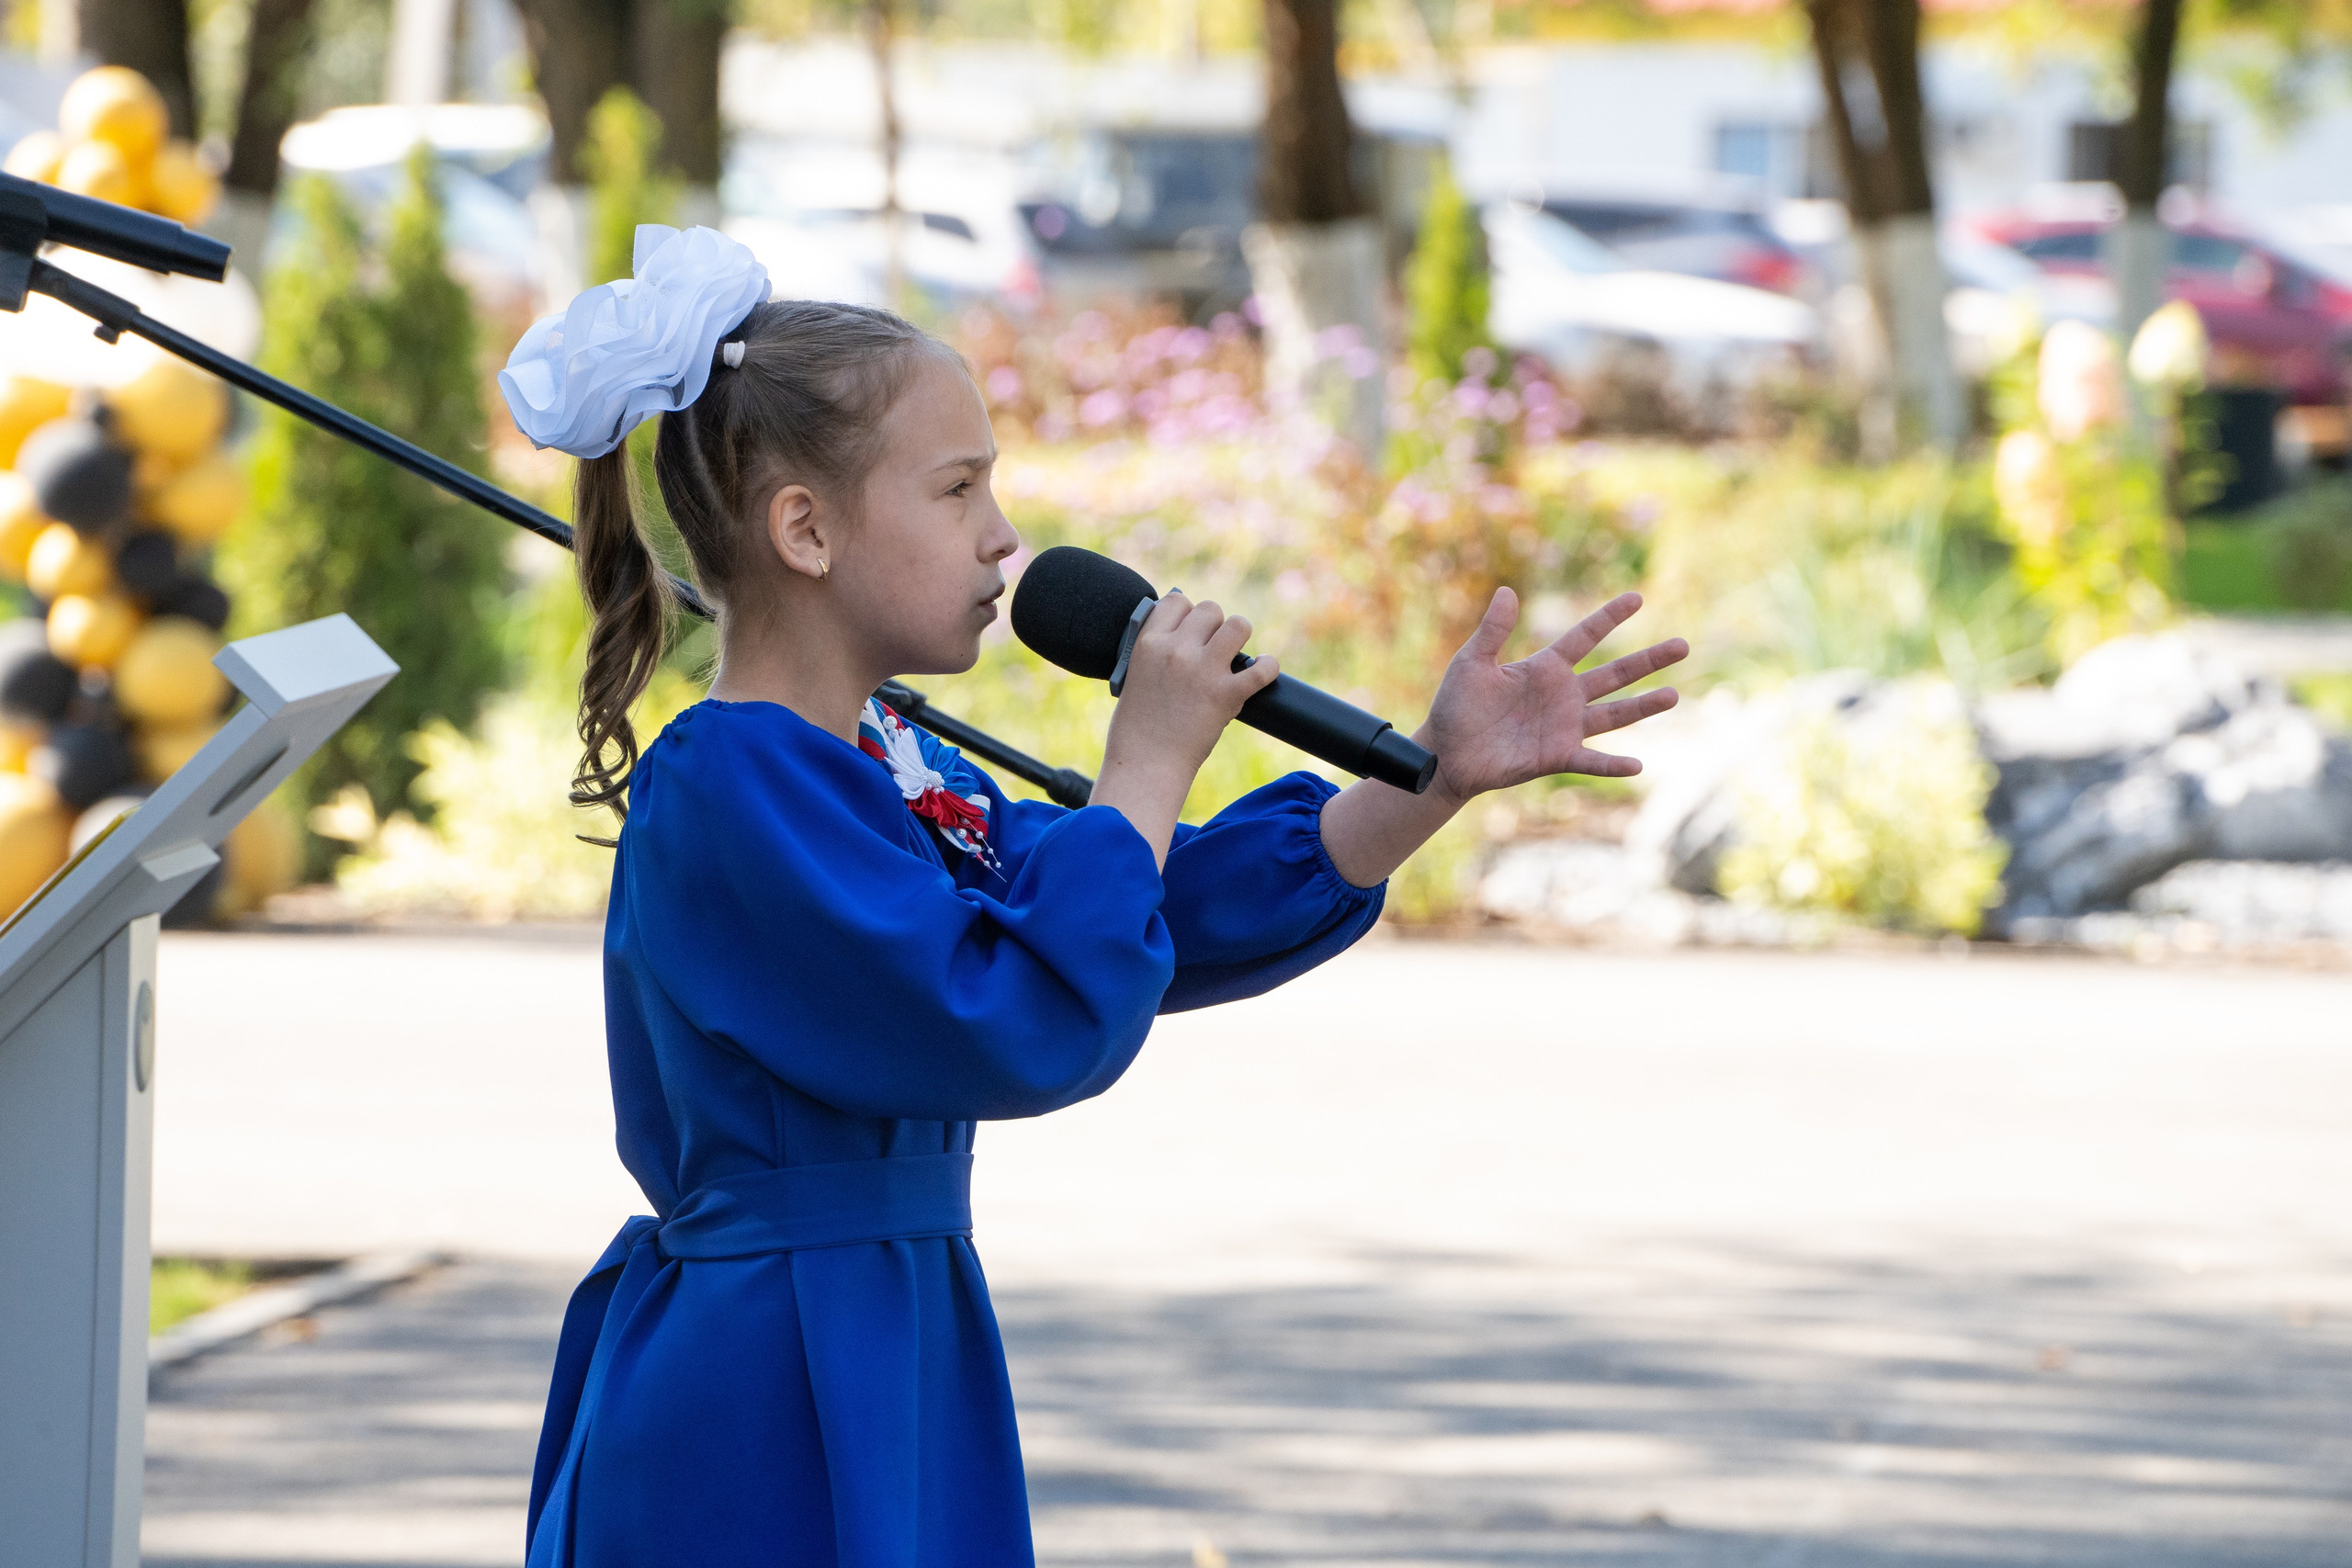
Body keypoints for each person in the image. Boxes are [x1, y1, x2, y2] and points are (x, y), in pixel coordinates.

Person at [498, 225, 1689, 1568]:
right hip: (769, 1366)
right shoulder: (733, 782)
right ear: (805, 530)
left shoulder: (884, 756)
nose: (1006, 540)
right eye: (957, 492)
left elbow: (1133, 920)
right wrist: (1147, 758)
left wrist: (1430, 781)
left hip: (887, 1328)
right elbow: (1012, 1009)